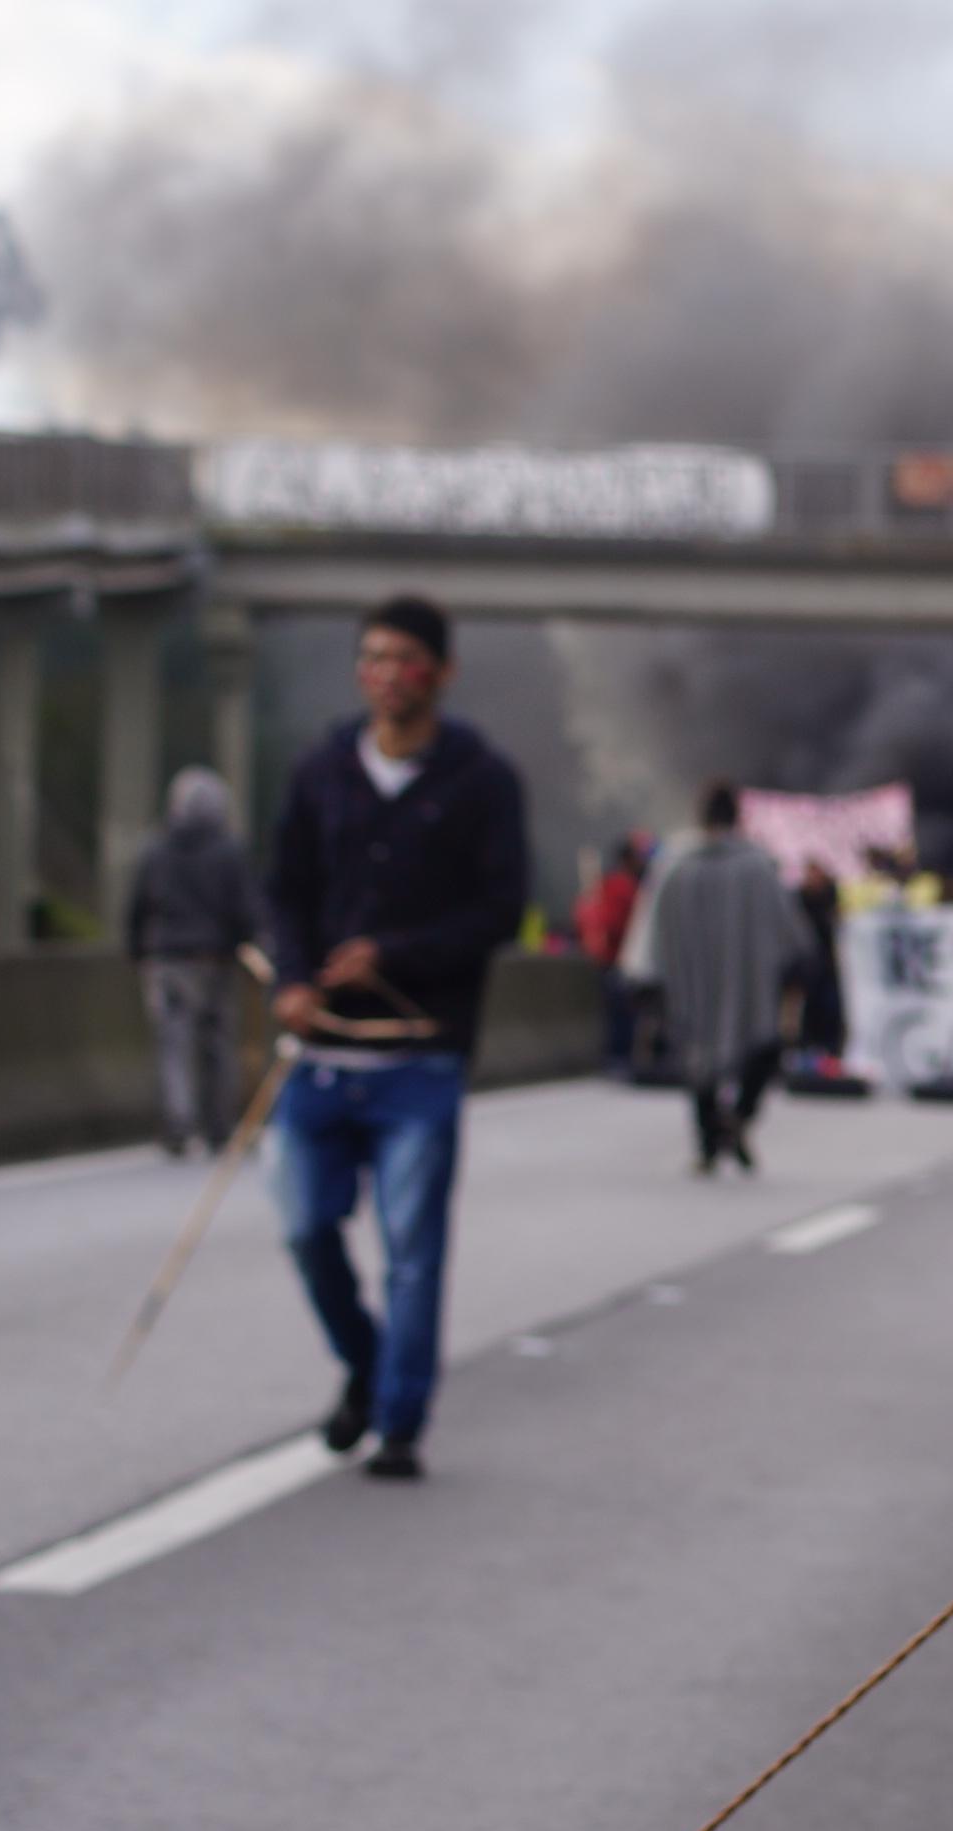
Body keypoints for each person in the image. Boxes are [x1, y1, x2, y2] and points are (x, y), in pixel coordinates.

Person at [262, 594, 529, 1484]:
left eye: (405, 660)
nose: (387, 675)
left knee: (413, 1252)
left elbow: (500, 909)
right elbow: (283, 891)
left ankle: (402, 1420)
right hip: (322, 1058)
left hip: (421, 1054)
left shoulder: (482, 782)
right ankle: (368, 1365)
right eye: (372, 658)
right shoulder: (322, 771)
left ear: (441, 674)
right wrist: (294, 978)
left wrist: (398, 954)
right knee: (306, 1227)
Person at [648, 781, 810, 1175]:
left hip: (693, 985)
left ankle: (710, 1139)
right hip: (750, 984)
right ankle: (737, 1120)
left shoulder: (675, 866)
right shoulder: (758, 867)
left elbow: (650, 934)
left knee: (697, 1058)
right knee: (761, 1049)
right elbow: (791, 932)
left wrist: (654, 981)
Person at [126, 766, 258, 1156]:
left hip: (165, 958)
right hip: (213, 959)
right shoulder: (228, 850)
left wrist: (136, 948)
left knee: (173, 1043)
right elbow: (245, 909)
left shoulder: (156, 847)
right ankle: (218, 1127)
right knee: (216, 1044)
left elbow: (138, 905)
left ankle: (177, 1122)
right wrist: (246, 941)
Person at [577, 834, 647, 1078]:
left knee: (619, 1013)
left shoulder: (611, 884)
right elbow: (619, 923)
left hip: (612, 959)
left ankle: (617, 1058)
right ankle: (618, 1059)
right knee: (621, 1014)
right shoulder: (622, 886)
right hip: (617, 959)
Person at [792, 858, 847, 1058]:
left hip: (830, 966)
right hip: (809, 966)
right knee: (810, 1009)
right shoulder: (800, 899)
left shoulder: (833, 898)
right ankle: (808, 1048)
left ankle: (830, 1050)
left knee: (830, 1008)